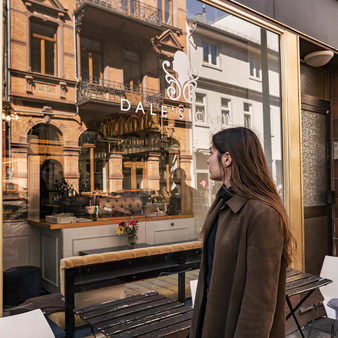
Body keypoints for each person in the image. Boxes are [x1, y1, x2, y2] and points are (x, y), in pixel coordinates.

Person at [189, 127, 294, 338]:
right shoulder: (223, 203)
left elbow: (260, 301)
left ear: (227, 158)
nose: (207, 160)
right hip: (212, 323)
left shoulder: (262, 213)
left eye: (211, 153)